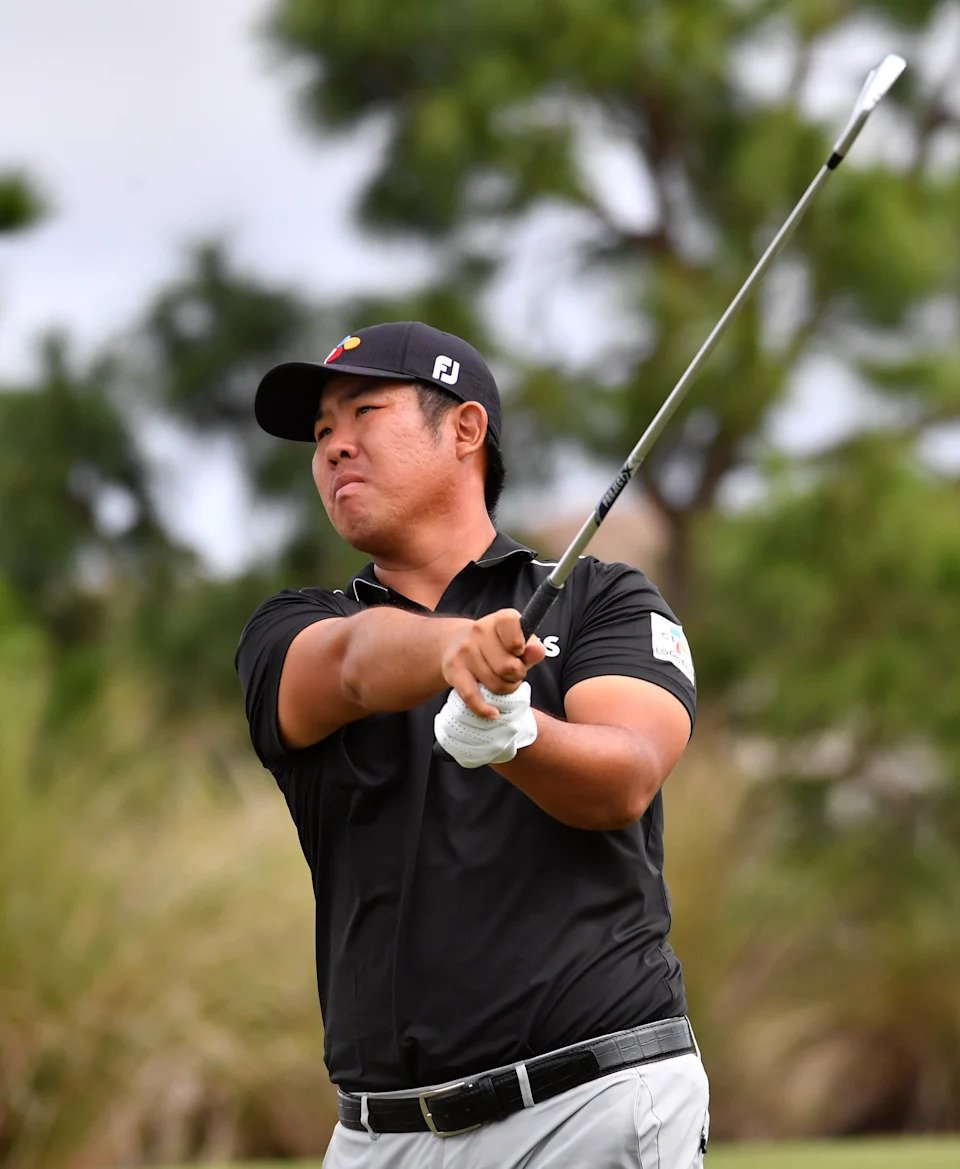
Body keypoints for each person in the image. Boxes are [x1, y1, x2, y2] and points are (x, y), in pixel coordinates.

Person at [236, 320, 709, 1168]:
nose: (335, 448)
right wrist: (451, 649)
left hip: (592, 1104)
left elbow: (626, 777)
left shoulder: (602, 601)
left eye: (364, 413)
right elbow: (347, 667)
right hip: (380, 1136)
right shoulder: (292, 627)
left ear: (464, 430)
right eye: (319, 435)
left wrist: (515, 733)